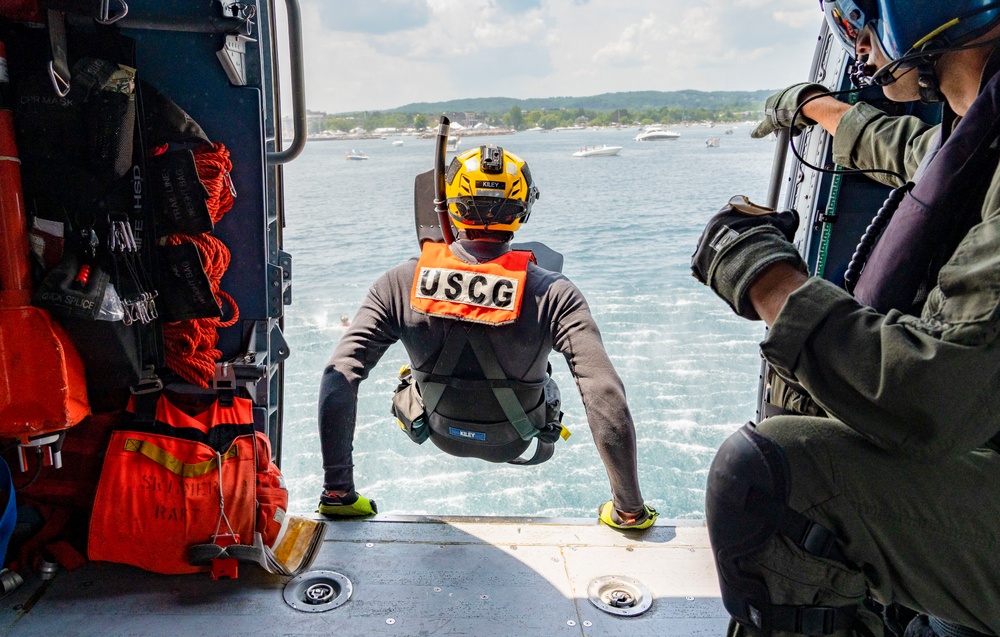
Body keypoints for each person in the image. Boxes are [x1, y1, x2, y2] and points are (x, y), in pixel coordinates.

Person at [692, 1, 1000, 636]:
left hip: (964, 428)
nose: (857, 45)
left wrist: (768, 279)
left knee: (769, 479)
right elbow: (918, 150)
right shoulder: (980, 130)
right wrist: (815, 107)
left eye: (862, 21)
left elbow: (934, 399)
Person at [316, 144, 657, 530]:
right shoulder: (555, 293)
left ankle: (335, 497)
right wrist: (628, 508)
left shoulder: (399, 283)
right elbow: (604, 392)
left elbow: (339, 375)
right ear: (523, 210)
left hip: (440, 431)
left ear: (452, 205)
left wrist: (338, 493)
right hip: (513, 440)